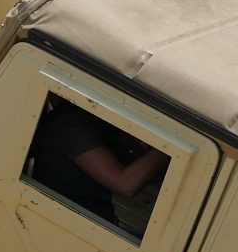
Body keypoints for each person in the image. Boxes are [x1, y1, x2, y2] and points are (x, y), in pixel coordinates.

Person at [26, 98, 167, 230]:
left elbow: (144, 168)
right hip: (70, 226)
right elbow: (126, 184)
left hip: (92, 222)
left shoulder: (98, 120)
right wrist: (168, 148)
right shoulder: (70, 125)